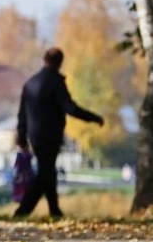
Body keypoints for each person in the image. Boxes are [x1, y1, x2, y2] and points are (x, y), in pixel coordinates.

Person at [13, 47, 104, 219]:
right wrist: (93, 118)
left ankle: (54, 210)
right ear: (59, 62)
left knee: (48, 171)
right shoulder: (55, 82)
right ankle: (23, 211)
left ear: (44, 59)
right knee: (45, 173)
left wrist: (21, 136)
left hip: (35, 136)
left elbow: (22, 113)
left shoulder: (30, 83)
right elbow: (70, 108)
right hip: (51, 135)